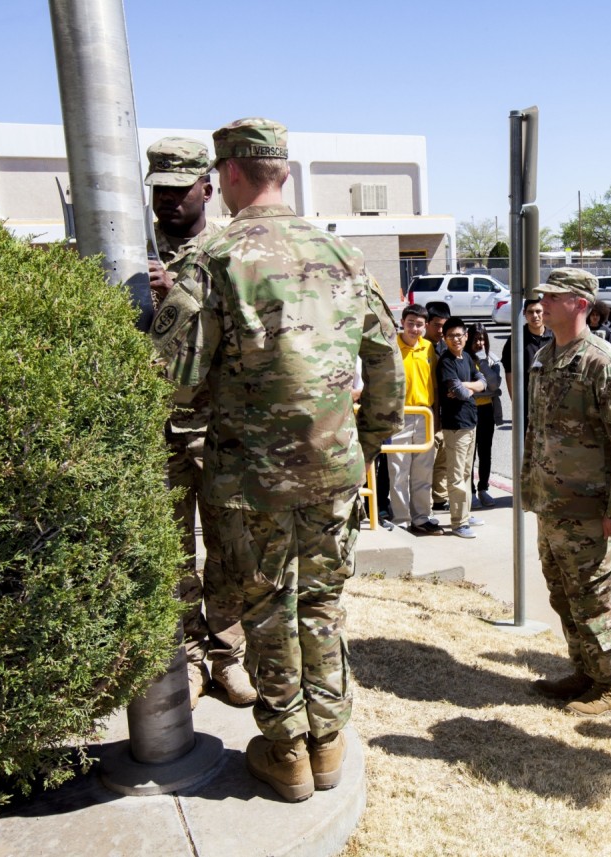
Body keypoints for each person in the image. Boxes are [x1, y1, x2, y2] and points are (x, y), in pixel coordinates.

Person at [152, 117, 404, 803]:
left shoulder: (214, 260)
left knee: (267, 608)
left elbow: (168, 379)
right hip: (333, 474)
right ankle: (328, 742)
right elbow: (389, 375)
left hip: (251, 482)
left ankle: (287, 750)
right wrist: (365, 446)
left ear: (229, 175)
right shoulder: (344, 256)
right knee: (321, 604)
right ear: (283, 172)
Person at [144, 136, 254, 709]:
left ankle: (226, 656)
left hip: (216, 428)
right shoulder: (133, 254)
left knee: (227, 547)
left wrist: (177, 298)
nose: (167, 201)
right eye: (158, 191)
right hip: (157, 428)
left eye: (178, 190)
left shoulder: (226, 252)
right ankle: (185, 658)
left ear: (207, 188)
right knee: (170, 551)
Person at [522, 269, 611, 718]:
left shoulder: (604, 363)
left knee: (592, 597)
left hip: (589, 510)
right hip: (551, 503)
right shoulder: (545, 356)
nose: (544, 304)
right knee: (562, 593)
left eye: (553, 297)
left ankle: (606, 684)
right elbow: (537, 431)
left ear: (580, 304)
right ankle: (583, 670)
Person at [387, 304, 442, 536]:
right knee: (398, 471)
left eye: (420, 324)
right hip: (399, 417)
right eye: (411, 323)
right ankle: (401, 519)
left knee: (423, 471)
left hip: (425, 416)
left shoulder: (429, 348)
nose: (415, 328)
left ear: (425, 326)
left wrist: (436, 416)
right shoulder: (391, 347)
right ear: (402, 322)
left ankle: (421, 517)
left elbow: (435, 385)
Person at [436, 316, 486, 538]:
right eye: (451, 336)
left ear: (466, 336)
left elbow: (483, 382)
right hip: (455, 425)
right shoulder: (446, 361)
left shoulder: (466, 357)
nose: (456, 339)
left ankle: (465, 514)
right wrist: (468, 388)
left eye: (460, 335)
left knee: (467, 472)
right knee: (456, 475)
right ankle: (458, 523)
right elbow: (461, 393)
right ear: (445, 338)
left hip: (470, 421)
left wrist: (466, 385)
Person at [501, 298, 554, 431]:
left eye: (538, 311)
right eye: (530, 312)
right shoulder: (516, 339)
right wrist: (516, 403)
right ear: (524, 313)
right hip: (526, 404)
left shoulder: (555, 337)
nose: (535, 316)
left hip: (552, 402)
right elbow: (509, 372)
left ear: (544, 312)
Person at [467, 323, 502, 508]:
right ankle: (470, 492)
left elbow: (494, 385)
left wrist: (482, 362)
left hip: (486, 410)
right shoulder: (463, 358)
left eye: (482, 339)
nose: (479, 343)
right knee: (469, 455)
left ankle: (483, 489)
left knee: (485, 452)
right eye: (475, 339)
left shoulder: (491, 360)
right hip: (468, 410)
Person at [425, 302, 452, 510]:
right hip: (425, 414)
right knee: (425, 462)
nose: (441, 330)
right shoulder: (420, 347)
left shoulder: (447, 346)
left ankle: (439, 498)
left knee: (443, 459)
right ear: (427, 324)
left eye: (444, 325)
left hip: (447, 414)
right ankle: (421, 502)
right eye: (437, 325)